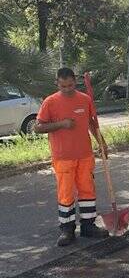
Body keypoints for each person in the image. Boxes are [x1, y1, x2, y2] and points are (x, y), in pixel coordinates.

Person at [34, 68, 109, 247]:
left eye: (70, 85)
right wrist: (62, 124)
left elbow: (92, 123)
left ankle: (88, 226)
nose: (67, 88)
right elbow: (38, 127)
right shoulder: (50, 102)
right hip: (63, 156)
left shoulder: (85, 99)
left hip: (85, 154)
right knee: (66, 193)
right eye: (63, 85)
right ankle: (67, 229)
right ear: (57, 83)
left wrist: (102, 144)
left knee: (87, 191)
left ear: (75, 82)